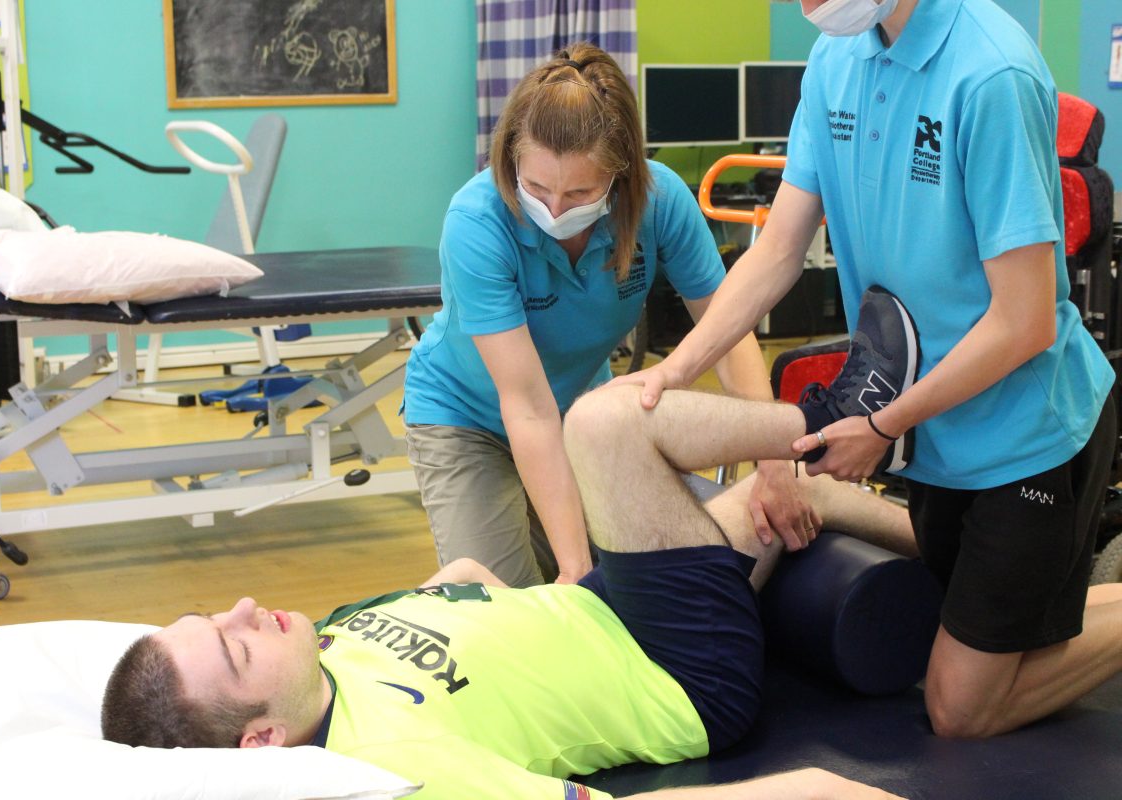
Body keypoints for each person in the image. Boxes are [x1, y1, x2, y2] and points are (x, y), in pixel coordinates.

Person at [100, 293, 921, 799]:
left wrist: (479, 591)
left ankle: (943, 531)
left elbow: (459, 580)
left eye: (216, 615)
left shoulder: (325, 648)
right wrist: (804, 792)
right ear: (261, 741)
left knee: (796, 496)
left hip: (606, 608)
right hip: (678, 674)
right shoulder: (393, 769)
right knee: (601, 425)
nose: (245, 609)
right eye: (235, 648)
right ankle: (839, 417)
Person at [612, 0, 1122, 738]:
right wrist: (675, 370)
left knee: (959, 708)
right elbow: (779, 248)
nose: (808, 5)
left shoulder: (992, 73)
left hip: (1027, 433)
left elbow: (1025, 321)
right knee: (1000, 639)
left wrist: (884, 425)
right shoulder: (837, 60)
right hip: (935, 435)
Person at [401, 42, 815, 590]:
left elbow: (727, 333)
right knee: (513, 608)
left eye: (580, 192)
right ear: (512, 161)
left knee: (641, 569)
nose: (555, 210)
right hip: (467, 418)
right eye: (537, 187)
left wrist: (774, 461)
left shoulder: (659, 200)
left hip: (578, 410)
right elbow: (526, 408)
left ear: (620, 176)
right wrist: (576, 568)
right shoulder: (477, 223)